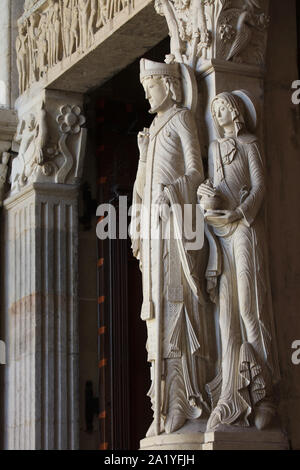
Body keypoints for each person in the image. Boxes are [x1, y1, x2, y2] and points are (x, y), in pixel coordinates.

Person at [130, 59, 209, 437]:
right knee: (156, 316)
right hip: (154, 231)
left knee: (176, 309)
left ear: (170, 85)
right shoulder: (152, 131)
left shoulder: (181, 119)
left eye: (151, 85)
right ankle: (160, 406)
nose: (146, 93)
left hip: (178, 228)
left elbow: (197, 171)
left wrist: (171, 192)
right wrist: (144, 156)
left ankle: (184, 401)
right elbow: (141, 187)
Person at [198, 90, 280, 431]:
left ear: (235, 111)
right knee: (226, 316)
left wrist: (241, 211)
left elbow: (260, 186)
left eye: (222, 109)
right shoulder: (214, 148)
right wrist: (208, 198)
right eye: (213, 111)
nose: (218, 116)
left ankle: (266, 395)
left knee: (250, 307)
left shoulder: (249, 143)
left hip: (244, 228)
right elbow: (216, 187)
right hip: (220, 231)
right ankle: (232, 394)